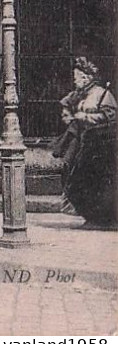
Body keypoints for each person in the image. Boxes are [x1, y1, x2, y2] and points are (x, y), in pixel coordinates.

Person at [53, 57, 117, 223]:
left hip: (99, 143)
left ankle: (97, 215)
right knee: (69, 169)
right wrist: (67, 116)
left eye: (77, 78)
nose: (75, 82)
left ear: (86, 78)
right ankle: (82, 209)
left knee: (91, 177)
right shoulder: (78, 95)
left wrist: (86, 116)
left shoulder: (102, 94)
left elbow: (110, 117)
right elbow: (65, 106)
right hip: (78, 139)